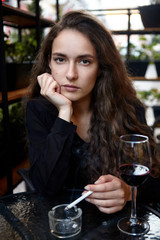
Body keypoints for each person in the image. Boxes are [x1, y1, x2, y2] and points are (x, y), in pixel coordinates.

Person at [26, 10, 160, 214]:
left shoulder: (129, 108)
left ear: (101, 67)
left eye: (84, 61)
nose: (70, 74)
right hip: (64, 225)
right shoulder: (39, 110)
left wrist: (128, 192)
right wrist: (64, 113)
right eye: (60, 59)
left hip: (119, 225)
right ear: (49, 64)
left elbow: (155, 180)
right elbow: (46, 188)